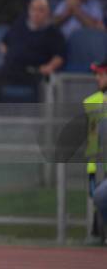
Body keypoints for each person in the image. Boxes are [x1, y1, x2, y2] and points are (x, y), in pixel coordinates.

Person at [0, 0, 65, 102]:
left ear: (47, 13)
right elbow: (3, 43)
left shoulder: (53, 32)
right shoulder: (20, 25)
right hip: (11, 69)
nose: (36, 13)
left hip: (33, 72)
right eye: (33, 9)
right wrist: (9, 56)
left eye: (40, 10)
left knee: (42, 83)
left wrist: (48, 67)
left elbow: (59, 56)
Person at [84, 60, 107, 245]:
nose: (97, 79)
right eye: (97, 75)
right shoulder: (92, 102)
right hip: (97, 165)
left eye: (101, 75)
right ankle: (98, 233)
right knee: (98, 199)